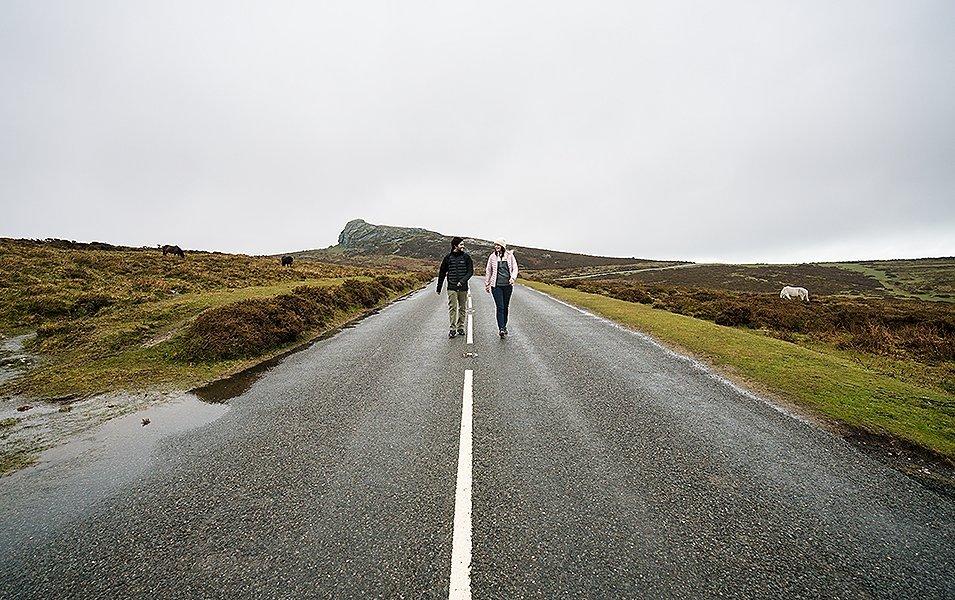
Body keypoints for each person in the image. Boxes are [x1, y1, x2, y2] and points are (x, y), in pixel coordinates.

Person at [437, 236, 473, 339]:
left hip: (463, 288)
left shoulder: (467, 257)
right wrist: (439, 287)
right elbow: (442, 273)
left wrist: (462, 281)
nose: (463, 246)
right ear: (455, 245)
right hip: (451, 287)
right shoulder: (447, 258)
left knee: (462, 308)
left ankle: (460, 327)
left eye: (463, 244)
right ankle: (452, 329)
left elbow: (470, 272)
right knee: (452, 308)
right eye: (461, 244)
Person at [484, 238, 518, 338]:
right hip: (496, 286)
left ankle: (504, 325)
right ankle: (501, 328)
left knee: (506, 307)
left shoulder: (510, 256)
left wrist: (512, 278)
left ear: (502, 246)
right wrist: (487, 283)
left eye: (498, 245)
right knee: (500, 307)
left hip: (508, 286)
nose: (496, 247)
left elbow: (515, 268)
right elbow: (488, 270)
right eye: (495, 245)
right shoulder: (492, 257)